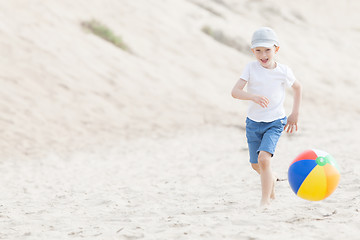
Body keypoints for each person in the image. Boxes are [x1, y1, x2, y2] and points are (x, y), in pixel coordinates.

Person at [231, 27, 302, 207]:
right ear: (252, 51)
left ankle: (265, 201)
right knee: (256, 165)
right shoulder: (250, 68)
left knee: (264, 159)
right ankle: (272, 179)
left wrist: (294, 114)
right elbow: (235, 92)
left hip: (275, 122)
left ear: (276, 49)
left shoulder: (283, 71)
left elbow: (298, 88)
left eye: (267, 50)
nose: (263, 55)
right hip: (253, 123)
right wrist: (252, 96)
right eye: (258, 50)